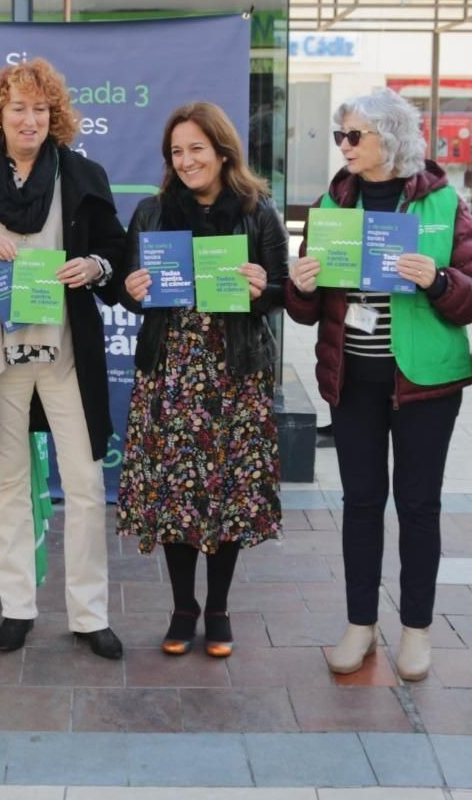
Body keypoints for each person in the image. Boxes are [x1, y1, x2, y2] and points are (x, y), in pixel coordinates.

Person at [287, 89, 472, 682]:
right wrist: (301, 282)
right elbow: (308, 309)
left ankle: (416, 632)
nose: (344, 147)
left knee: (419, 506)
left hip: (426, 383)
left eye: (355, 136)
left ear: (392, 138)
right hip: (353, 380)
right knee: (360, 504)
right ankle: (359, 626)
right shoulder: (334, 199)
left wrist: (438, 279)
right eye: (340, 136)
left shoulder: (445, 203)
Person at [0, 58, 129, 660]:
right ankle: (17, 607)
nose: (30, 119)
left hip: (67, 351)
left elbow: (116, 252)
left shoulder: (83, 174)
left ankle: (89, 613)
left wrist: (95, 267)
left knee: (83, 481)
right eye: (18, 108)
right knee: (8, 484)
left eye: (41, 109)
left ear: (56, 117)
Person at [116, 101, 289, 658]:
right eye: (176, 152)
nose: (187, 161)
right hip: (171, 370)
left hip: (236, 371)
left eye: (196, 149)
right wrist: (132, 289)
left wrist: (263, 286)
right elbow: (125, 287)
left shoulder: (257, 211)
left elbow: (286, 293)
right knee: (175, 494)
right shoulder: (152, 212)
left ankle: (217, 607)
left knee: (228, 494)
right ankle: (182, 607)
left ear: (221, 150)